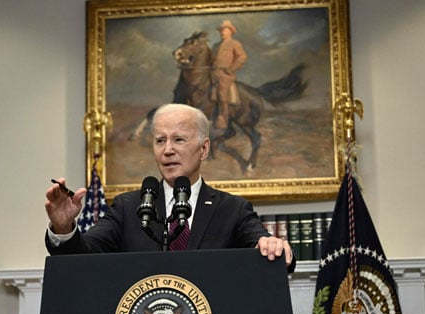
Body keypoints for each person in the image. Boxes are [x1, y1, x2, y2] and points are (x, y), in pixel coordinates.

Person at [44, 103, 294, 271]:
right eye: (160, 140)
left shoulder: (232, 209)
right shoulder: (128, 207)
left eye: (179, 140)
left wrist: (272, 245)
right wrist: (63, 227)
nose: (168, 150)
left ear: (204, 149)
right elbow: (81, 258)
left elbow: (265, 247)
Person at [211, 19, 247, 130]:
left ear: (231, 32)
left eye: (225, 30)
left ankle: (223, 118)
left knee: (222, 92)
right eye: (221, 30)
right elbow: (211, 59)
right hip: (213, 72)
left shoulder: (235, 44)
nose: (222, 32)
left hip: (226, 74)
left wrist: (231, 69)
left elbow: (242, 57)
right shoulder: (216, 46)